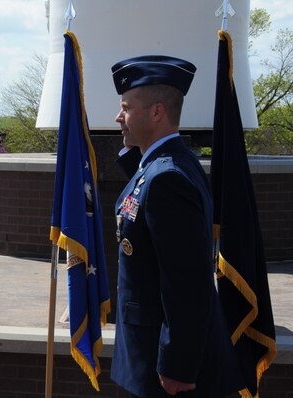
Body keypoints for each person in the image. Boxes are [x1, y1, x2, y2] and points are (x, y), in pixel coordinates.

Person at [109, 55, 243, 397]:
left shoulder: (168, 178)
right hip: (149, 351)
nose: (118, 117)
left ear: (157, 112)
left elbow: (186, 282)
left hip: (167, 370)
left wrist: (176, 365)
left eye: (126, 108)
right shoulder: (164, 167)